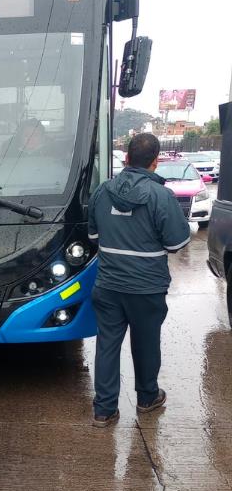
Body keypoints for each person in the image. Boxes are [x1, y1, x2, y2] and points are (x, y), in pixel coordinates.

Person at [87, 132, 191, 427]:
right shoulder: (161, 196)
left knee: (107, 345)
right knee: (146, 344)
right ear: (155, 162)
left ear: (127, 158)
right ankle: (147, 398)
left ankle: (104, 410)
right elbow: (176, 244)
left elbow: (93, 236)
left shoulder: (103, 191)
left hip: (107, 286)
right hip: (146, 289)